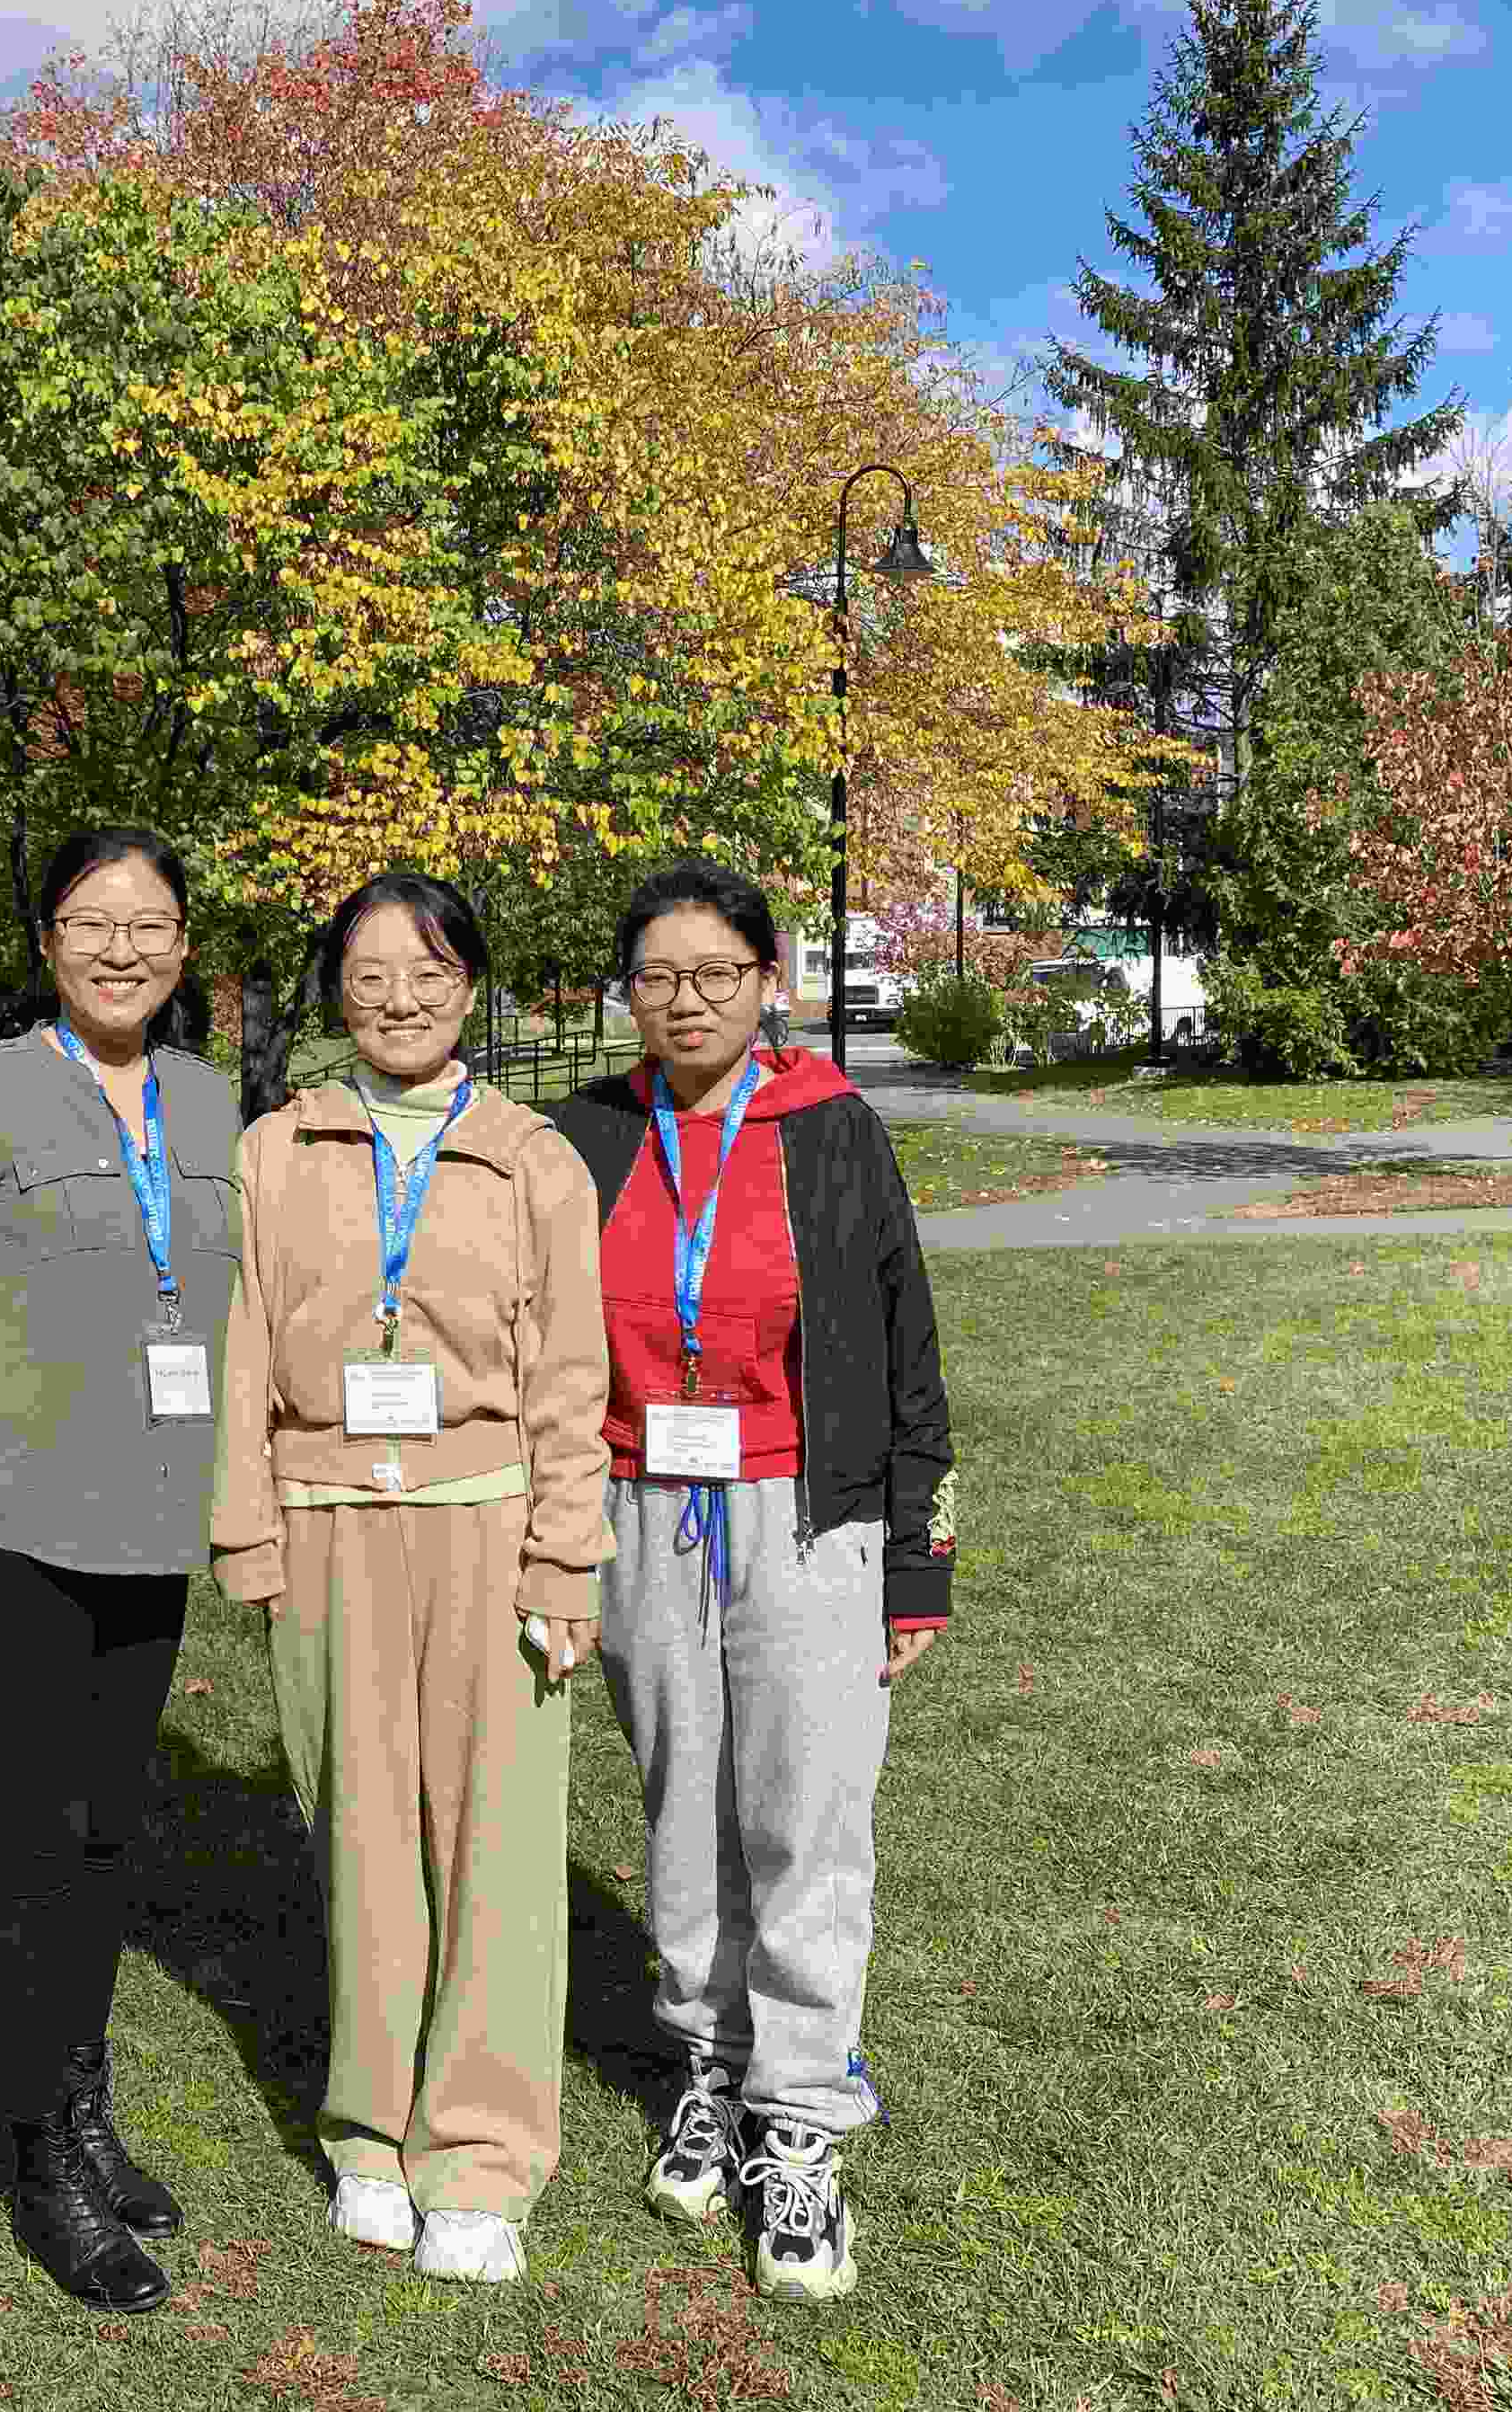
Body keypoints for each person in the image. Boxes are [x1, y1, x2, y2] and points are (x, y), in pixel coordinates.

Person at [547, 857, 953, 2305]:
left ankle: (801, 2113)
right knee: (683, 1802)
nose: (687, 999)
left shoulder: (833, 1132)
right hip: (640, 1509)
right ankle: (707, 2066)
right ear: (628, 993)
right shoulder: (585, 1134)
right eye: (658, 976)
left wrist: (920, 1560)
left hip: (806, 1512)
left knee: (804, 1813)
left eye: (717, 972)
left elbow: (906, 1347)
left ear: (769, 983)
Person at [209, 871, 613, 2287]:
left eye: (429, 973)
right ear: (337, 989)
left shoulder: (533, 1159)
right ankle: (372, 2132)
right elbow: (246, 1348)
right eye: (372, 974)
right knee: (360, 1833)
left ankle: (484, 2154)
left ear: (470, 988)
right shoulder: (279, 1147)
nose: (399, 999)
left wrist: (568, 1558)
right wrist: (247, 1530)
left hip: (491, 1522)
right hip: (327, 1520)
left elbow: (572, 1376)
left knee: (495, 1843)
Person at [0, 825, 243, 2314]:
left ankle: (81, 2095)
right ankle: (35, 2149)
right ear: (46, 941)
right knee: (32, 1840)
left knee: (112, 1832)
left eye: (152, 924)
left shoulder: (207, 1099)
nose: (124, 947)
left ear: (186, 946)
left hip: (155, 1522)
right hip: (12, 1522)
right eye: (92, 922)